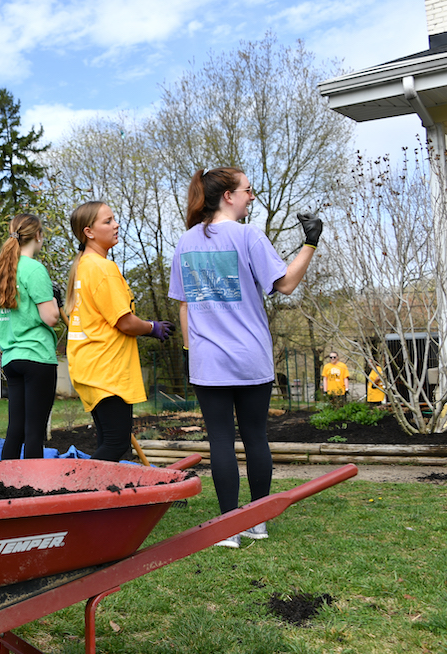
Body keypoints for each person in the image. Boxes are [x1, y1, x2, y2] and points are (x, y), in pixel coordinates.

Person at [168, 167, 321, 549]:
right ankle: (259, 522)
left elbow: (184, 307)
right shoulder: (249, 235)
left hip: (208, 362)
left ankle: (229, 528)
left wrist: (192, 352)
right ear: (228, 196)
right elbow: (285, 284)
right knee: (255, 438)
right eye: (247, 191)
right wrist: (310, 243)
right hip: (251, 357)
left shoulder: (185, 243)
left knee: (220, 441)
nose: (252, 196)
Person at [65, 201, 174, 462]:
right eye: (108, 221)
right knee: (116, 443)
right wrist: (152, 327)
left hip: (91, 366)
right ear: (89, 232)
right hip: (107, 370)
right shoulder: (104, 269)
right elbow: (124, 322)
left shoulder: (84, 266)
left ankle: (102, 499)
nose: (116, 225)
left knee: (109, 440)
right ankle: (81, 496)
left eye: (114, 219)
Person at [0, 213, 61, 460]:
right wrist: (55, 299)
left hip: (11, 358)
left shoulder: (3, 271)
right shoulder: (34, 269)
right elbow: (50, 317)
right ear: (38, 236)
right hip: (37, 357)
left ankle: (6, 488)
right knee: (34, 433)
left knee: (15, 431)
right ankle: (33, 491)